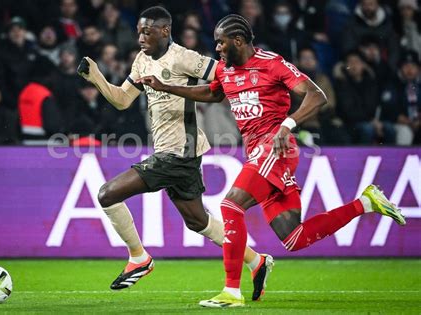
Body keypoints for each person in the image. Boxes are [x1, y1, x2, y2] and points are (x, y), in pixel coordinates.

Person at [137, 14, 406, 307]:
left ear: (238, 41)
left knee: (230, 205)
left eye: (221, 42)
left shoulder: (271, 63)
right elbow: (211, 94)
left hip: (277, 148)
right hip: (258, 153)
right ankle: (366, 203)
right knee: (293, 237)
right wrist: (166, 88)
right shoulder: (226, 70)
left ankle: (231, 292)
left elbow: (317, 96)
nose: (217, 49)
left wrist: (287, 125)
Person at [77, 6, 273, 300]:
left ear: (165, 30)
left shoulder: (184, 58)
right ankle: (257, 261)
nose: (141, 37)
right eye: (139, 31)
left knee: (107, 194)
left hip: (177, 154)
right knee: (198, 222)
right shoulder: (142, 61)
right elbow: (122, 100)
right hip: (179, 154)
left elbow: (225, 74)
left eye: (147, 31)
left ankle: (139, 258)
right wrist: (97, 78)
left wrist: (255, 93)